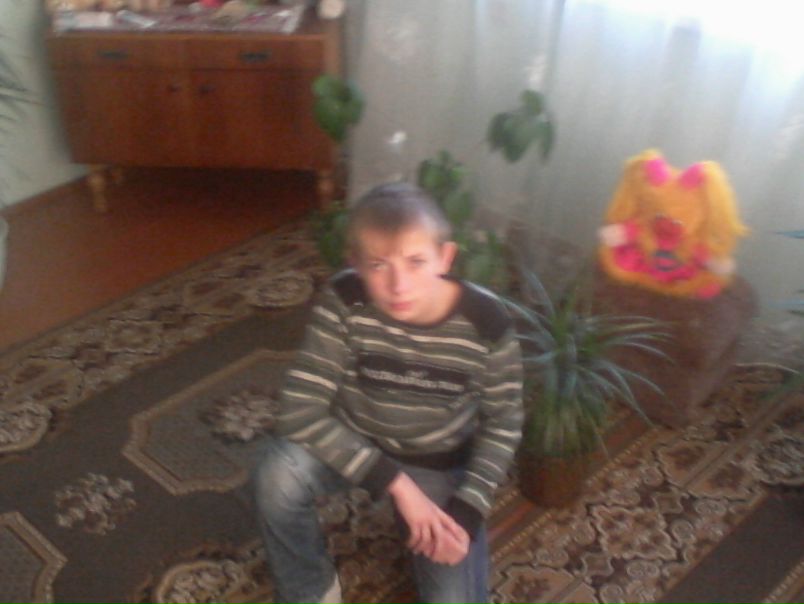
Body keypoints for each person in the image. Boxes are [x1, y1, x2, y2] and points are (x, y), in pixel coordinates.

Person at [252, 181, 523, 604]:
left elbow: (503, 421)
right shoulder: (345, 299)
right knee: (277, 474)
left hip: (437, 461)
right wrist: (396, 484)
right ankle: (309, 589)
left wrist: (468, 511)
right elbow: (298, 411)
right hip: (355, 440)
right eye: (379, 264)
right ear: (355, 263)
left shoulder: (486, 321)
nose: (399, 285)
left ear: (445, 257)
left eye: (416, 262)